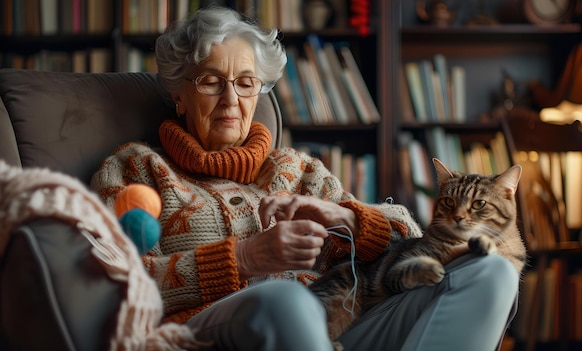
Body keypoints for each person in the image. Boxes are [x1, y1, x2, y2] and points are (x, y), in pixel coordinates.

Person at [91, 5, 520, 351]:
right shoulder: (137, 170)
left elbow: (412, 243)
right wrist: (243, 258)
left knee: (491, 272)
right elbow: (106, 286)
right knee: (284, 299)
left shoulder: (299, 170)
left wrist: (347, 217)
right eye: (210, 81)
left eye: (245, 83)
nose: (230, 98)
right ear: (178, 95)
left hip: (343, 330)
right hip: (213, 334)